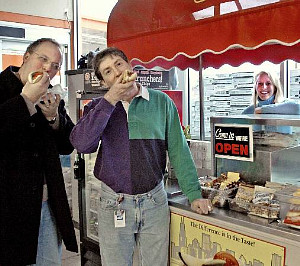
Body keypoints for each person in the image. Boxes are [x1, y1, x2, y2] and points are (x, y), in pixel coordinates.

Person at [70, 47, 212, 266]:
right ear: (104, 83)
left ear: (130, 67)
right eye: (107, 71)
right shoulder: (98, 107)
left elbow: (178, 150)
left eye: (118, 64)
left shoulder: (161, 102)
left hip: (154, 201)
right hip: (113, 203)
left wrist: (194, 193)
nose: (116, 73)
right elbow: (81, 143)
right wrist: (110, 100)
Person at [0, 38, 78, 265]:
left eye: (55, 65)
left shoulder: (51, 94)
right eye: (43, 59)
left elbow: (68, 144)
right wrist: (26, 100)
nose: (48, 68)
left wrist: (54, 118)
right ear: (26, 57)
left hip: (47, 205)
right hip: (9, 209)